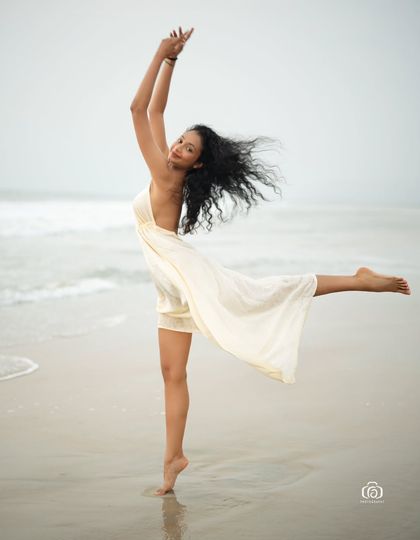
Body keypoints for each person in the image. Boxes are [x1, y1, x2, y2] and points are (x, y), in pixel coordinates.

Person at [129, 27, 411, 496]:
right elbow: (157, 111)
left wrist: (159, 50)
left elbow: (139, 111)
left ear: (196, 165)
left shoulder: (164, 172)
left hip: (179, 274)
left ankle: (360, 281)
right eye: (179, 140)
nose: (177, 146)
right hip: (169, 283)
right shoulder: (168, 167)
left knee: (261, 292)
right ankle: (173, 459)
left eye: (188, 148)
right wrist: (172, 64)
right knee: (173, 374)